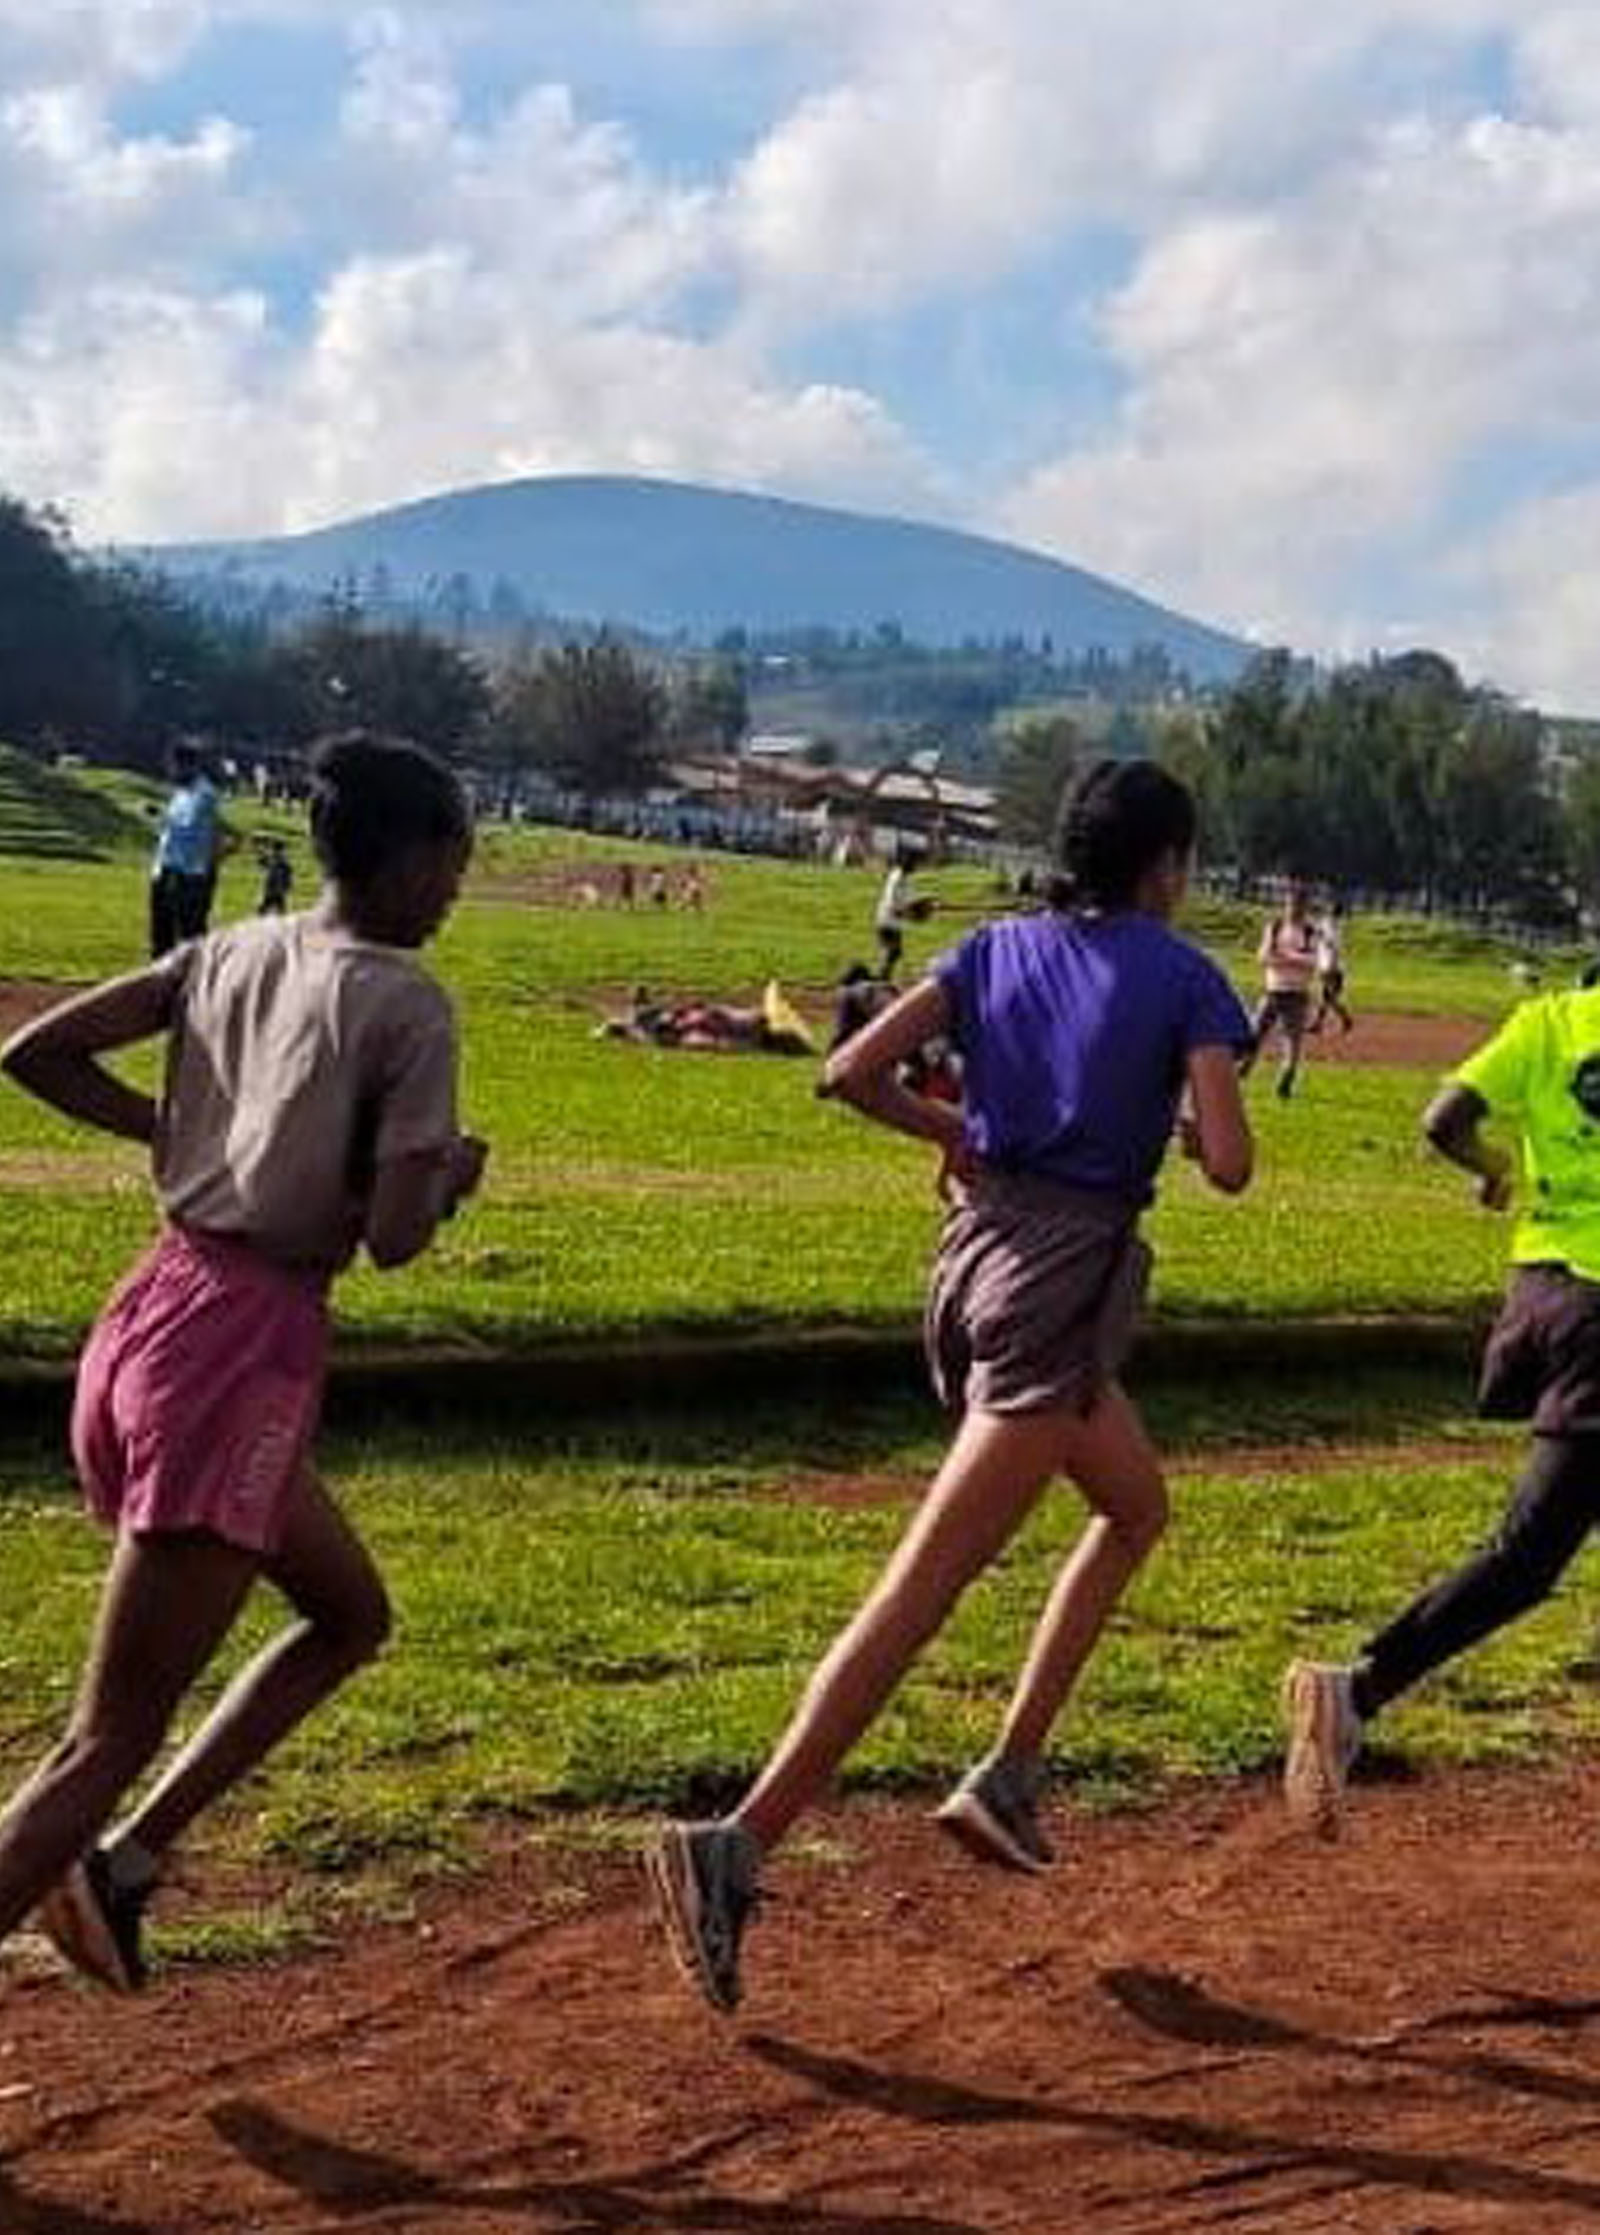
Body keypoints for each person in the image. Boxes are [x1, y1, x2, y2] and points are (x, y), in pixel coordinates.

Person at [0, 732, 487, 2185]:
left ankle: (125, 1869)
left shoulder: (231, 947)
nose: (458, 889)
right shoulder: (409, 1001)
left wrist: (174, 1124)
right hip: (248, 1348)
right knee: (102, 1734)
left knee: (349, 1612)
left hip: (156, 1309)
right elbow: (400, 1238)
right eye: (457, 862)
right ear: (414, 859)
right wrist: (438, 1172)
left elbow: (33, 1049)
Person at [648, 760, 1255, 2013]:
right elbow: (1234, 1165)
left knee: (1135, 1508)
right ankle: (739, 1841)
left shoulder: (990, 949)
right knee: (920, 1587)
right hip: (1061, 1288)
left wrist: (963, 1137)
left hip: (973, 1270)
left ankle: (1011, 1773)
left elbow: (847, 1073)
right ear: (1165, 866)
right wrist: (1182, 1120)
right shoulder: (1184, 975)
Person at [1284, 985, 1600, 1837]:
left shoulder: (1552, 1020)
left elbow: (1442, 1121)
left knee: (1534, 1550)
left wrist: (1498, 1169)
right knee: (1529, 1552)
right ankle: (1353, 1689)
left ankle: (1358, 1690)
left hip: (1544, 1298)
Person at [148, 745, 225, 957]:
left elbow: (192, 831)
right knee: (161, 935)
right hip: (167, 868)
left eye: (174, 767)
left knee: (189, 935)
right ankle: (161, 982)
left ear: (188, 765)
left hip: (188, 874)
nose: (171, 772)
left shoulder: (204, 795)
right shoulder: (180, 793)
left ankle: (190, 984)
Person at [1246, 885, 1320, 1096]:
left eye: (1299, 905)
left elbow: (1314, 962)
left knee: (1292, 1040)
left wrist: (1284, 956)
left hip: (1297, 993)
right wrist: (1291, 958)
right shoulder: (1275, 927)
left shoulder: (1310, 932)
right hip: (1273, 990)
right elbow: (1263, 957)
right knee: (1255, 1034)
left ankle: (1286, 1078)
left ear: (1306, 907)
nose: (1294, 909)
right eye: (1291, 904)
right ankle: (1243, 1070)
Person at [875, 852, 916, 979]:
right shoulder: (896, 879)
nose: (915, 868)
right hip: (887, 920)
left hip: (894, 921)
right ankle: (881, 978)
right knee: (892, 951)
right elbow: (891, 902)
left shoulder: (905, 879)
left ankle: (883, 977)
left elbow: (908, 900)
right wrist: (905, 913)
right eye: (913, 865)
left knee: (895, 952)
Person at [1314, 905, 1354, 1036]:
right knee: (1324, 997)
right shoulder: (1326, 925)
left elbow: (1334, 948)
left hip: (1332, 967)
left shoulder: (1334, 929)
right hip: (1325, 965)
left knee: (1328, 997)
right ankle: (1317, 1024)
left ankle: (1346, 1019)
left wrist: (1331, 966)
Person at [258, 836, 294, 917]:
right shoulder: (274, 859)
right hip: (273, 889)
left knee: (273, 910)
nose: (274, 851)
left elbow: (288, 875)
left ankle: (280, 925)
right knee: (269, 910)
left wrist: (287, 886)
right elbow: (262, 864)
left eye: (276, 849)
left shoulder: (282, 861)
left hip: (276, 890)